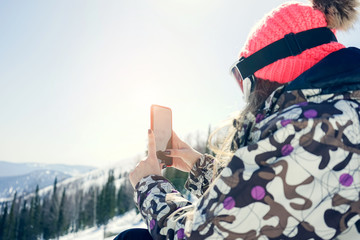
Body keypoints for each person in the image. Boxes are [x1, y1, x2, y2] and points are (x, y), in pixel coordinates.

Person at [116, 0, 360, 239]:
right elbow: (266, 198)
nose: (247, 97)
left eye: (245, 81)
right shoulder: (333, 118)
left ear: (277, 70)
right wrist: (199, 166)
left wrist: (149, 186)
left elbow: (202, 234)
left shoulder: (314, 130)